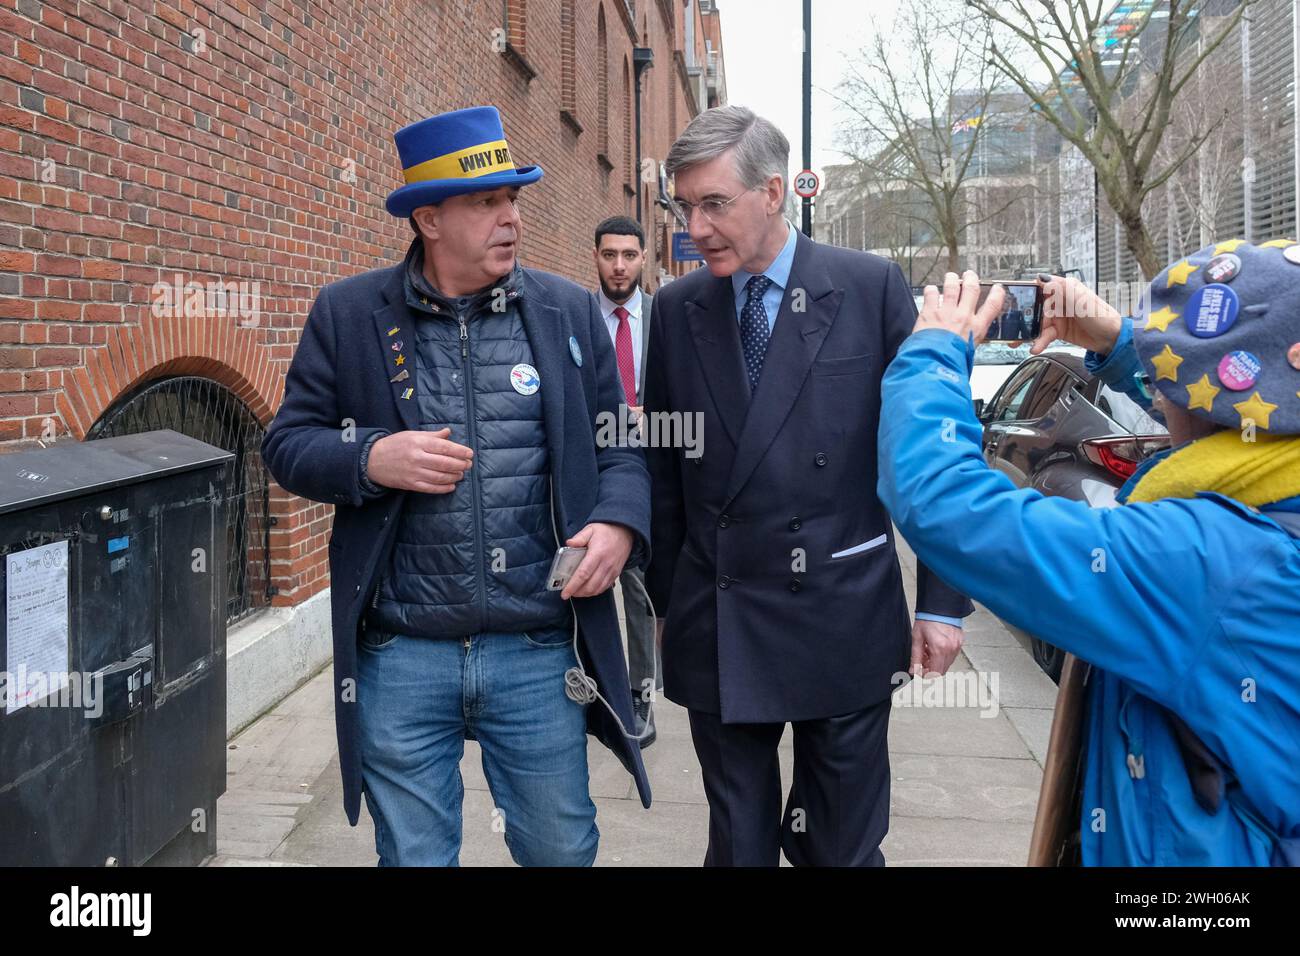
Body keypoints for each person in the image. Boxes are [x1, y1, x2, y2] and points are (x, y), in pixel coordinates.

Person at [262, 106, 652, 866]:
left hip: (537, 649)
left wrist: (619, 525)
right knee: (413, 859)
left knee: (562, 850)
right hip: (402, 652)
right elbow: (286, 444)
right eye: (487, 203)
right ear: (430, 219)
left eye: (513, 200)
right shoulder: (348, 315)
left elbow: (622, 449)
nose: (510, 219)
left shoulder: (568, 312)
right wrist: (369, 458)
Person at [878, 244, 1300, 864]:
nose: (1157, 399)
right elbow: (1240, 388)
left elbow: (947, 507)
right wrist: (1128, 342)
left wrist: (933, 358)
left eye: (1164, 384)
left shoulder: (1206, 561)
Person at [643, 104, 973, 867]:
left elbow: (936, 458)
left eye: (713, 204)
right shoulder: (676, 308)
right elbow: (662, 469)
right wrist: (668, 602)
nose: (695, 226)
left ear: (772, 192)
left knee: (840, 849)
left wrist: (943, 604)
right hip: (719, 620)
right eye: (683, 206)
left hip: (844, 617)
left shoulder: (868, 287)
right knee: (740, 849)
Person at [590, 215, 661, 747]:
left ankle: (640, 692)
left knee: (639, 585)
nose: (619, 266)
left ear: (644, 258)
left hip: (649, 465)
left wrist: (650, 419)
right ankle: (589, 688)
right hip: (588, 467)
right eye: (610, 255)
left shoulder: (667, 319)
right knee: (586, 578)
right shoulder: (576, 317)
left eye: (629, 256)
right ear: (596, 257)